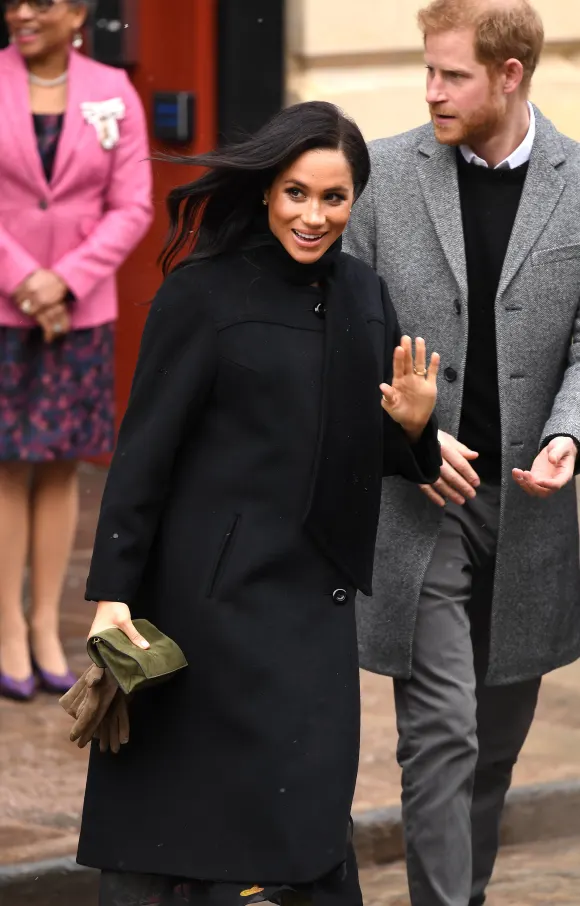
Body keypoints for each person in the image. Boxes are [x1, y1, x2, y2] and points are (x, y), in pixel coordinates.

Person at [77, 100, 441, 906]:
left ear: (355, 200)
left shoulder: (365, 295)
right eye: (296, 194)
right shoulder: (201, 295)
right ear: (269, 194)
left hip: (311, 606)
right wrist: (112, 595)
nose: (314, 216)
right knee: (182, 812)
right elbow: (142, 460)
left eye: (334, 198)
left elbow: (352, 445)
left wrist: (415, 430)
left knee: (307, 809)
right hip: (209, 605)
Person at [344, 1, 580, 904]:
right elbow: (350, 330)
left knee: (495, 743)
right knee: (441, 729)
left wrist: (566, 432)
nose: (431, 90)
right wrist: (407, 424)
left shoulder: (573, 178)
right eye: (429, 70)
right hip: (421, 500)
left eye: (454, 75)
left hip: (532, 506)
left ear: (510, 75)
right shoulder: (389, 174)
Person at [0, 0, 153, 700]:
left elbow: (134, 206)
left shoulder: (111, 91)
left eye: (41, 2)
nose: (23, 13)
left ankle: (43, 626)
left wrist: (64, 282)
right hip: (5, 304)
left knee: (60, 467)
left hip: (80, 310)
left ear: (78, 12)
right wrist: (25, 280)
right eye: (15, 2)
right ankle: (7, 630)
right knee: (7, 466)